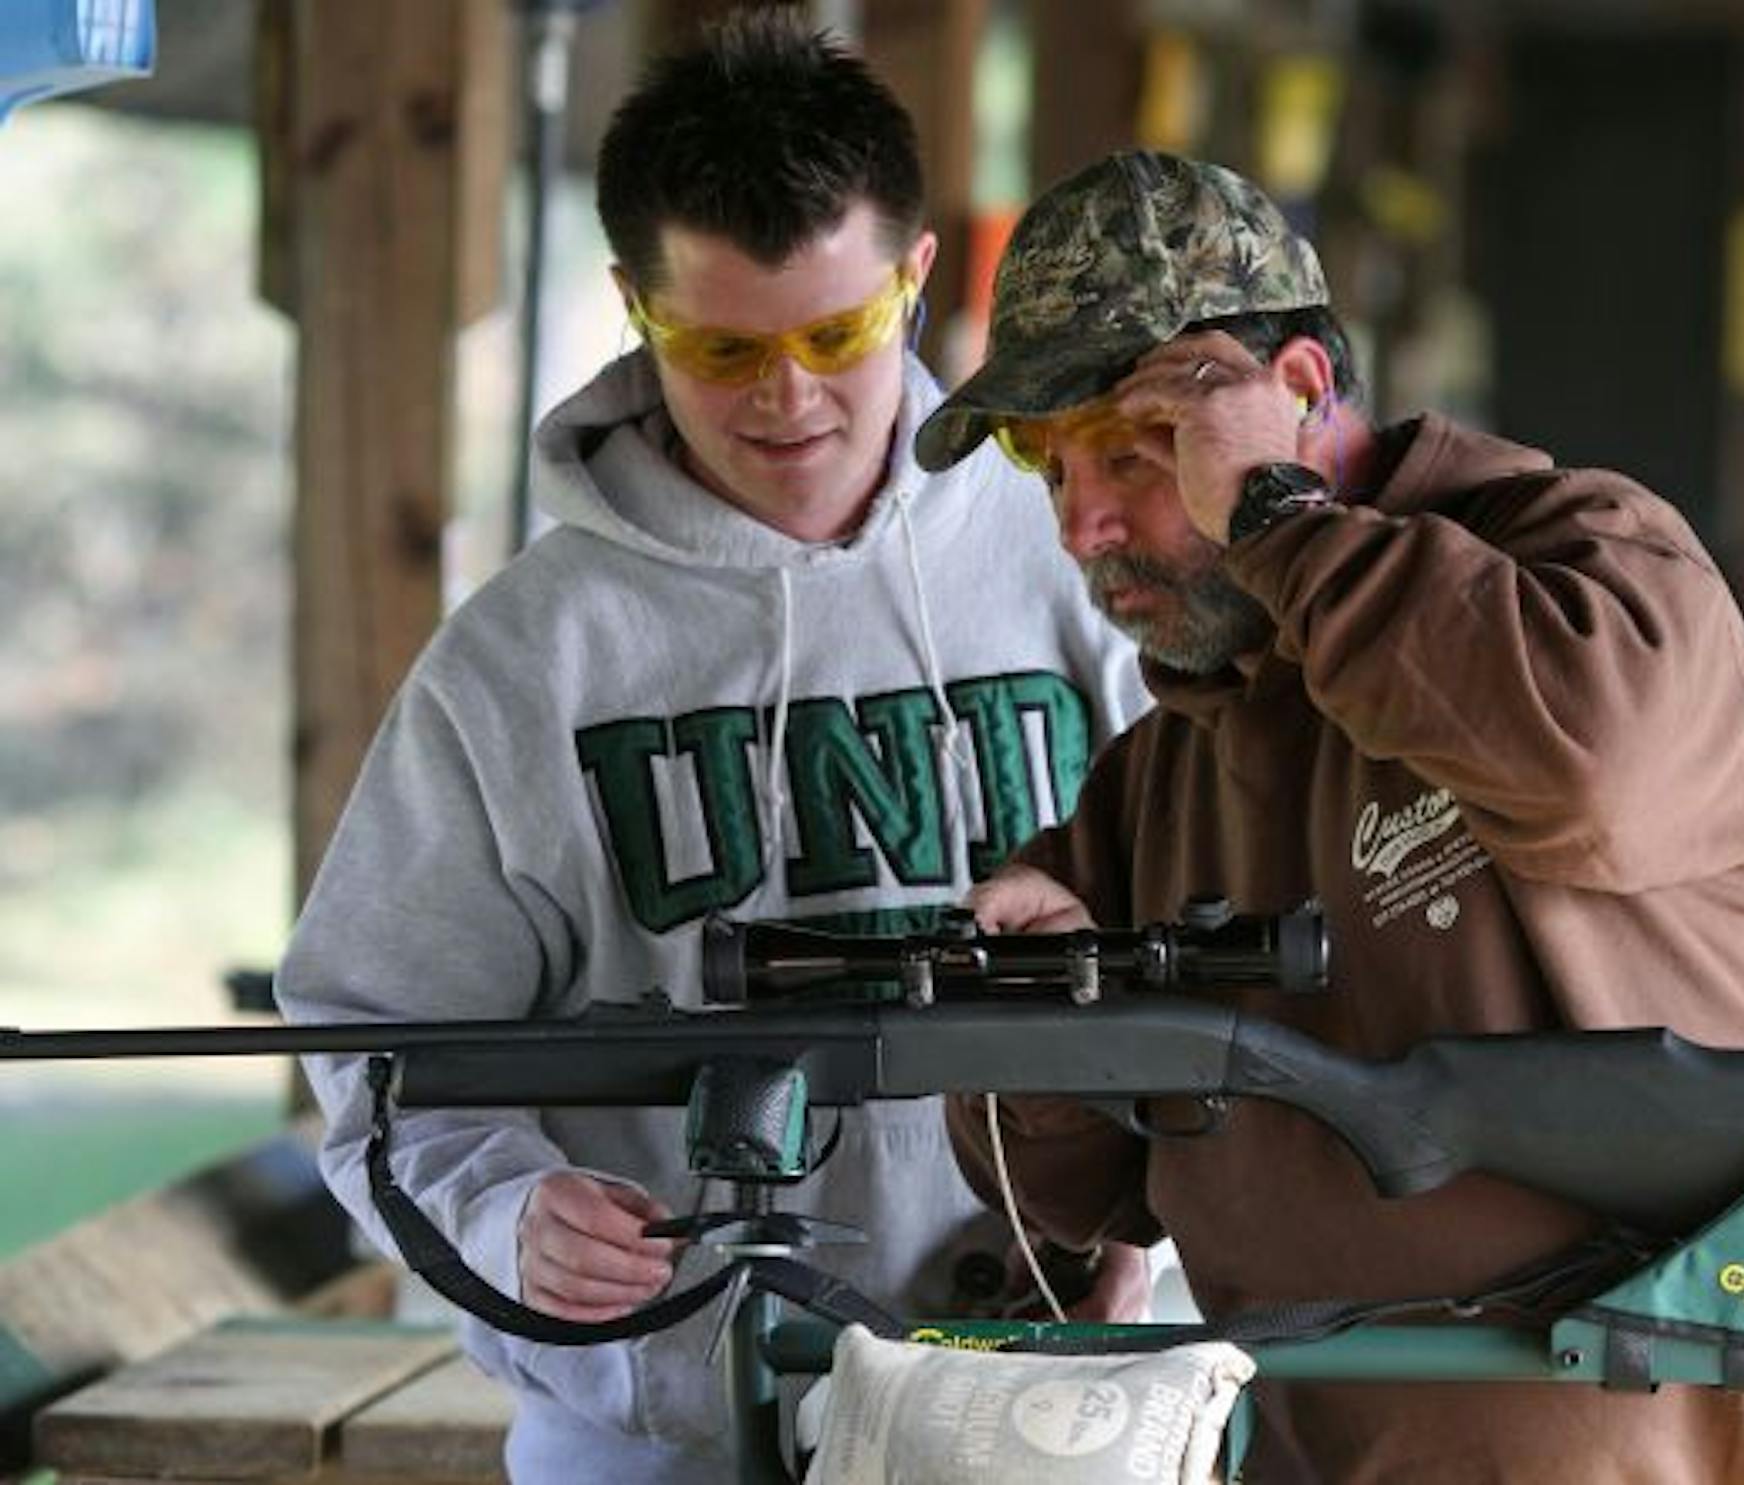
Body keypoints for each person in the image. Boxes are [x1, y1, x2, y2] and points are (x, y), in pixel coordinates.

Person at [912, 150, 1744, 1481]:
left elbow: (1588, 764)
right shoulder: (1157, 779)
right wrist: (1033, 1024)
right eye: (1049, 465)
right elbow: (1072, 1198)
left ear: (1299, 394)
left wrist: (1272, 516)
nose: (1085, 523)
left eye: (1136, 451)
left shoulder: (1588, 554)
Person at [274, 13, 1149, 1482]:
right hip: (660, 1428)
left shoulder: (1089, 554)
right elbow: (377, 1050)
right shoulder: (523, 660)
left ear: (919, 277)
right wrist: (509, 1217)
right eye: (722, 345)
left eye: (837, 332)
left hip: (1062, 1398)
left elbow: (1240, 958)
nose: (787, 397)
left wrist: (1152, 1215)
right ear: (634, 305)